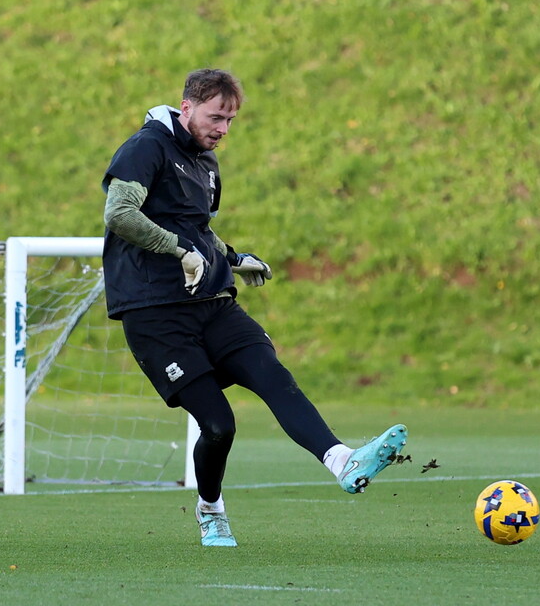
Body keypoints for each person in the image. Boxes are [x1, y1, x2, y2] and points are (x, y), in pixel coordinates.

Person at [101, 68, 407, 547]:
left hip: (212, 302)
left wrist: (231, 257)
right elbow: (120, 214)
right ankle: (210, 510)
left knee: (271, 373)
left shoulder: (206, 163)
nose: (223, 129)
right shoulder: (146, 147)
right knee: (219, 426)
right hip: (155, 313)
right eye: (215, 117)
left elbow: (197, 229)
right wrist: (178, 251)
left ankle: (342, 460)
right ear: (187, 107)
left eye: (230, 120)